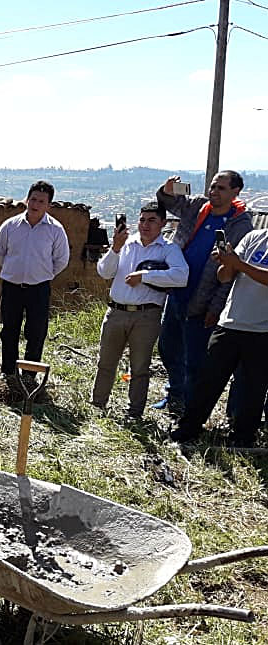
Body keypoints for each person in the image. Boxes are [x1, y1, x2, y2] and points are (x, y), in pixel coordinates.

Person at [153, 172, 251, 413]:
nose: (214, 191)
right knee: (168, 347)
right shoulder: (198, 207)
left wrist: (216, 307)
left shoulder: (240, 225)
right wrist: (166, 190)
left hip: (203, 300)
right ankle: (175, 392)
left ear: (235, 192)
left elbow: (232, 273)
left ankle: (191, 406)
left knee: (195, 359)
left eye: (221, 188)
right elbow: (169, 203)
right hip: (177, 292)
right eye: (213, 186)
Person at [170, 227, 268, 448]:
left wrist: (238, 263)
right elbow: (224, 276)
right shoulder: (255, 236)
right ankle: (188, 429)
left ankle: (243, 438)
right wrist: (226, 262)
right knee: (208, 381)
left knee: (253, 388)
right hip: (230, 323)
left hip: (262, 330)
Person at [89, 203, 187, 419]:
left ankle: (134, 413)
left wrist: (144, 276)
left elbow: (181, 276)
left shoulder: (168, 249)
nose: (145, 225)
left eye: (152, 220)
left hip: (146, 315)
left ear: (162, 223)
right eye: (142, 220)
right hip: (116, 312)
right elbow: (104, 272)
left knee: (140, 367)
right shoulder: (126, 244)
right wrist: (115, 247)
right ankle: (97, 405)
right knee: (106, 362)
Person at [0, 180, 70, 386]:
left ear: (49, 205)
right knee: (9, 330)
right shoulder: (10, 226)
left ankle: (29, 374)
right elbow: (0, 254)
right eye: (33, 199)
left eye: (41, 201)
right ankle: (8, 371)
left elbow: (61, 260)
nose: (35, 204)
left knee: (36, 332)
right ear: (27, 200)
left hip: (39, 288)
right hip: (11, 286)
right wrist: (17, 272)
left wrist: (42, 274)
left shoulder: (55, 230)